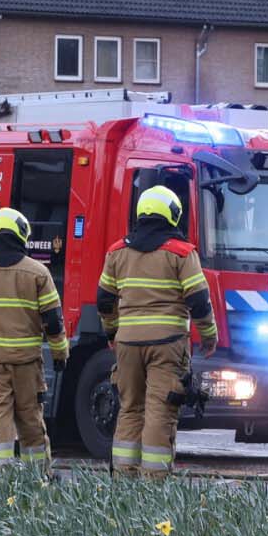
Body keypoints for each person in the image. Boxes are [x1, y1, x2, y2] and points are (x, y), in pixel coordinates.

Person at [96, 185, 217, 478]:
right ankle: (154, 482)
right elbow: (199, 300)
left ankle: (124, 477)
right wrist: (209, 336)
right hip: (168, 344)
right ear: (173, 215)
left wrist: (112, 334)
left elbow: (104, 300)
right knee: (160, 410)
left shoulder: (116, 252)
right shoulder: (182, 253)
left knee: (129, 408)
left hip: (127, 343)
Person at [0, 207, 67, 477]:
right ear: (22, 234)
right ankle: (39, 475)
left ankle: (0, 475)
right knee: (30, 416)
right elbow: (53, 321)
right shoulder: (37, 273)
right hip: (26, 361)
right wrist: (60, 354)